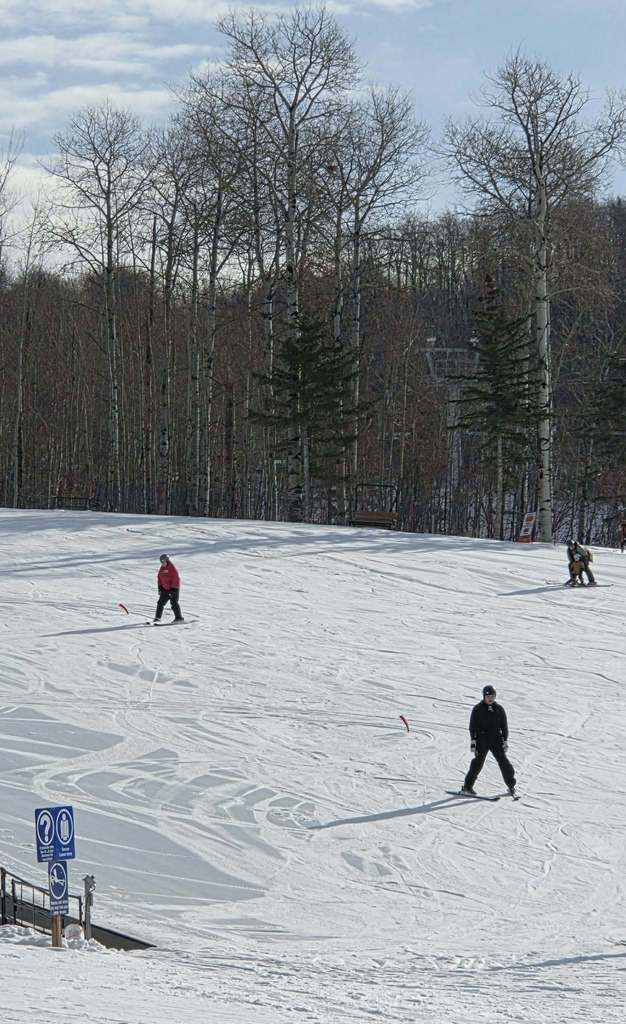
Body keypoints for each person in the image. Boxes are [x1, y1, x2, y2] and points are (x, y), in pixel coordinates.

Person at [461, 685, 516, 797]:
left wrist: (505, 740)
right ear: (484, 696)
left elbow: (504, 726)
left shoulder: (499, 709)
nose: (490, 698)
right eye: (488, 696)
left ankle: (511, 786)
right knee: (477, 764)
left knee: (504, 763)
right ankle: (467, 787)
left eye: (492, 696)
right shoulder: (477, 709)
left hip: (496, 740)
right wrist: (473, 741)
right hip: (482, 740)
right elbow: (473, 726)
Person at [153, 554, 184, 623]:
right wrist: (160, 587)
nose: (162, 563)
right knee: (160, 603)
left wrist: (173, 589)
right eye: (161, 562)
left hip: (173, 589)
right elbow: (159, 578)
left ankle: (179, 618)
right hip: (165, 589)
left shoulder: (172, 568)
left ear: (167, 561)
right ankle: (157, 618)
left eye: (164, 562)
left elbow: (176, 579)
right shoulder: (162, 568)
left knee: (174, 603)